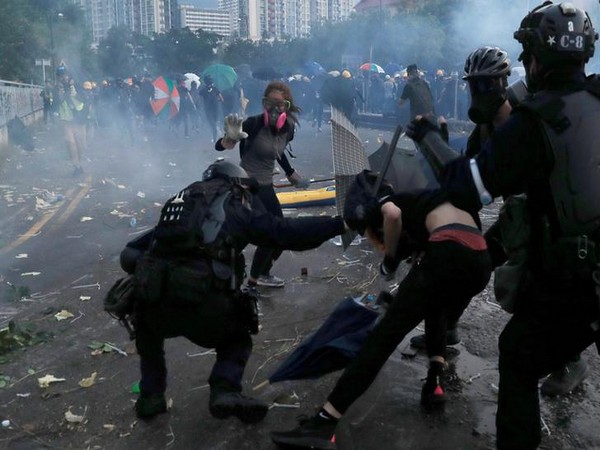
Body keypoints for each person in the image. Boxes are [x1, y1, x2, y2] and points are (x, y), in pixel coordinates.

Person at [405, 3, 600, 448]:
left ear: (532, 57)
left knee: (517, 353)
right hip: (576, 258)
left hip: (572, 271)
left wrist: (428, 137)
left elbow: (466, 186)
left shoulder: (534, 122)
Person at [271, 170, 492, 449]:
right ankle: (435, 383)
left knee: (382, 338)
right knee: (436, 307)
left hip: (448, 252)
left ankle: (324, 423)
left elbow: (392, 215)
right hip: (479, 262)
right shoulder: (431, 198)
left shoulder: (387, 200)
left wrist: (389, 259)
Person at [123, 159, 347, 423]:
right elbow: (284, 232)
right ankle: (225, 389)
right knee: (237, 338)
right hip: (204, 305)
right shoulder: (235, 206)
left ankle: (151, 398)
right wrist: (337, 224)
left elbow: (129, 255)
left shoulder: (180, 203)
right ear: (237, 185)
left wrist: (162, 272)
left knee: (147, 331)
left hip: (155, 302)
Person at [215, 80, 309, 289]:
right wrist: (228, 139)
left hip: (265, 185)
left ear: (287, 106)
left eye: (280, 104)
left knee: (280, 234)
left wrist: (291, 172)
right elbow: (221, 147)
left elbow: (278, 151)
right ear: (264, 103)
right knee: (267, 232)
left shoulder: (289, 128)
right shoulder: (253, 124)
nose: (275, 109)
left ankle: (262, 272)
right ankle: (252, 283)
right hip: (246, 185)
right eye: (270, 103)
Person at [55, 64, 87, 176]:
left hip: (79, 118)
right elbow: (54, 103)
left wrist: (73, 91)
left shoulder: (76, 85)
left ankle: (80, 163)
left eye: (65, 75)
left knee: (81, 144)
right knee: (71, 143)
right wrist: (60, 93)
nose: (64, 77)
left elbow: (84, 98)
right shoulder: (57, 88)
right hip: (66, 119)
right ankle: (76, 166)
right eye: (61, 76)